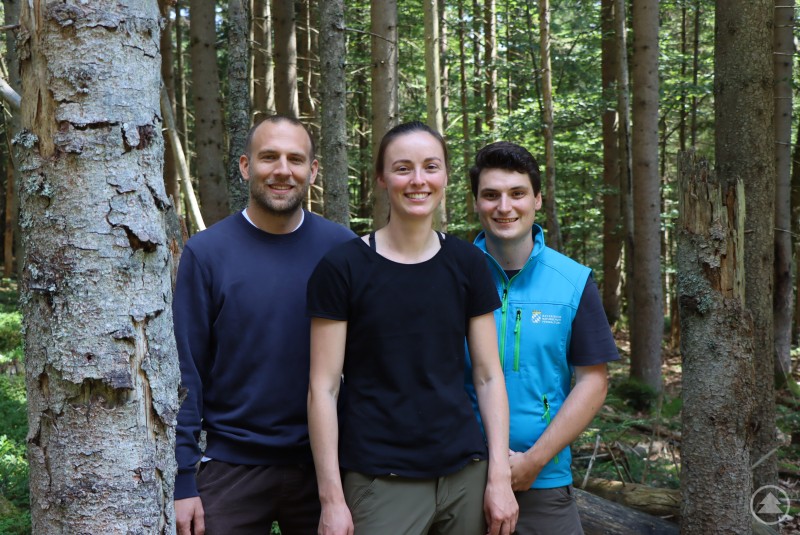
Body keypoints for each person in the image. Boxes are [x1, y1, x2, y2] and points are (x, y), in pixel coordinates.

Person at [306, 121, 518, 535]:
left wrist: (499, 478)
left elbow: (489, 376)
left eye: (430, 167)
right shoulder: (343, 268)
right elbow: (323, 389)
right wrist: (331, 498)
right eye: (403, 168)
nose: (418, 180)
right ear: (382, 179)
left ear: (445, 176)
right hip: (380, 480)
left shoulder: (467, 264)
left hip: (466, 476)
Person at [173, 115, 355, 535]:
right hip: (229, 466)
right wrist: (184, 479)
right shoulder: (206, 254)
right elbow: (187, 372)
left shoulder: (341, 250)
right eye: (269, 157)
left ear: (312, 171)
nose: (282, 170)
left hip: (324, 468)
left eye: (295, 159)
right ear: (245, 166)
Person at [465, 141, 620, 535]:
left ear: (537, 200)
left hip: (543, 479)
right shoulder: (450, 274)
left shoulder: (573, 281)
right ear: (476, 202)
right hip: (459, 477)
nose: (504, 207)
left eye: (517, 193)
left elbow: (593, 381)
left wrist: (533, 461)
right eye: (491, 195)